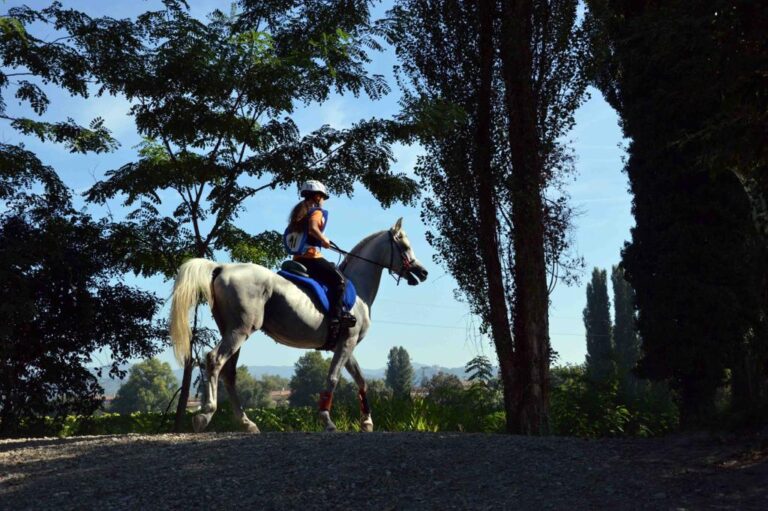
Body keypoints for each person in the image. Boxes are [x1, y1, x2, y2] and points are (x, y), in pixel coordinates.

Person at [286, 180, 356, 337]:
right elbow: (312, 228)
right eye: (323, 197)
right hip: (311, 257)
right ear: (317, 197)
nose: (323, 201)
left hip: (297, 259)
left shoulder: (299, 213)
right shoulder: (315, 212)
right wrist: (323, 239)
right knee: (339, 281)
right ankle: (336, 317)